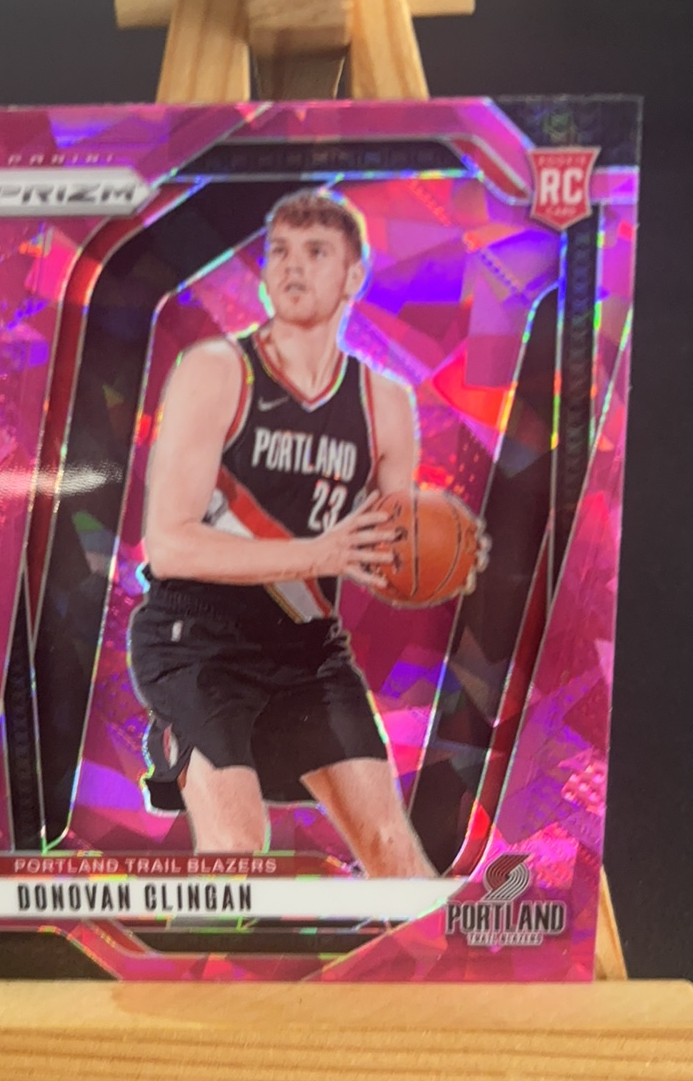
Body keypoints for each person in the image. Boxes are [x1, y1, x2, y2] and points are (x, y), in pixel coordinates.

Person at [129, 189, 437, 878]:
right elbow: (168, 545)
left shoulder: (385, 402)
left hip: (307, 648)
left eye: (316, 252)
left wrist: (439, 553)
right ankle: (179, 738)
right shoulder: (217, 370)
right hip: (197, 636)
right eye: (280, 251)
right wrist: (319, 553)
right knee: (238, 852)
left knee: (396, 855)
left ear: (353, 276)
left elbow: (397, 550)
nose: (293, 266)